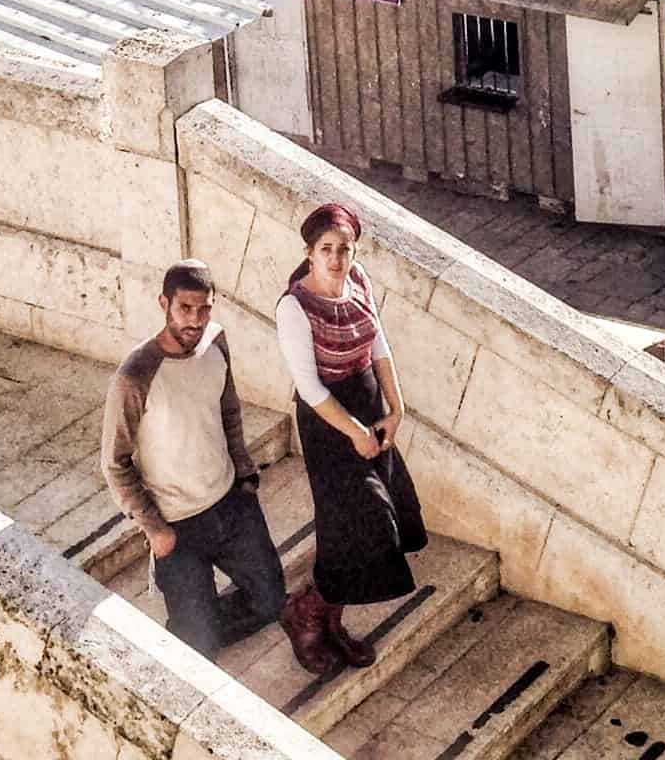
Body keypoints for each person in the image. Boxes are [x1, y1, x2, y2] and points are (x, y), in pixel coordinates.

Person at [102, 260, 287, 657]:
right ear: (164, 304)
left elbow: (229, 412)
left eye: (204, 309)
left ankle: (199, 621)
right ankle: (193, 625)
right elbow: (114, 463)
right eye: (185, 309)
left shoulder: (216, 342)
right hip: (178, 525)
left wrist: (245, 474)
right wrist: (155, 529)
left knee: (272, 603)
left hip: (231, 504)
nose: (196, 320)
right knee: (199, 646)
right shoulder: (135, 375)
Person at [274, 199, 425, 676]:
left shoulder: (359, 282)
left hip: (368, 408)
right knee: (365, 523)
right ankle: (305, 613)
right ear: (310, 252)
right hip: (329, 423)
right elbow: (309, 387)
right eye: (327, 249)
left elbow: (378, 344)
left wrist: (396, 410)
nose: (337, 259)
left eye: (345, 249)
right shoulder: (294, 307)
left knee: (366, 525)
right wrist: (356, 433)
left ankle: (330, 619)